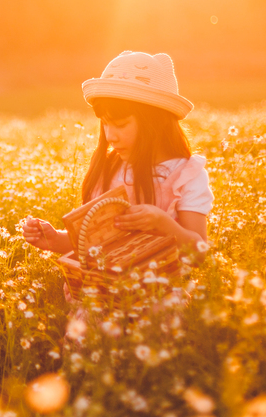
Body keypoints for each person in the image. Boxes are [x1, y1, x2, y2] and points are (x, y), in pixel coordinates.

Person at [22, 51, 213, 273]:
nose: (111, 136)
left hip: (158, 294)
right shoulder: (110, 168)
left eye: (121, 125)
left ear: (156, 123)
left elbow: (199, 253)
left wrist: (163, 224)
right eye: (105, 124)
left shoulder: (186, 175)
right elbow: (93, 242)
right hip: (102, 292)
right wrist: (55, 240)